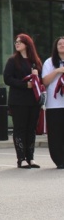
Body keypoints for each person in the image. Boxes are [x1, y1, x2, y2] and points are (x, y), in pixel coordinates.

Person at [3, 33, 43, 169]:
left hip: (33, 100)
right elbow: (7, 78)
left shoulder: (35, 61)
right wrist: (25, 85)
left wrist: (37, 78)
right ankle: (21, 158)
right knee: (20, 128)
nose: (17, 43)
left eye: (20, 41)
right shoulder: (13, 61)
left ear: (28, 44)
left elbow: (41, 79)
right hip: (18, 101)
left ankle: (30, 157)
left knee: (31, 129)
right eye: (16, 42)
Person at [41, 36, 64, 169]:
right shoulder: (49, 62)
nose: (62, 45)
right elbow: (45, 81)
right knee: (56, 133)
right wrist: (57, 71)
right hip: (54, 104)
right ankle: (59, 160)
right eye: (59, 44)